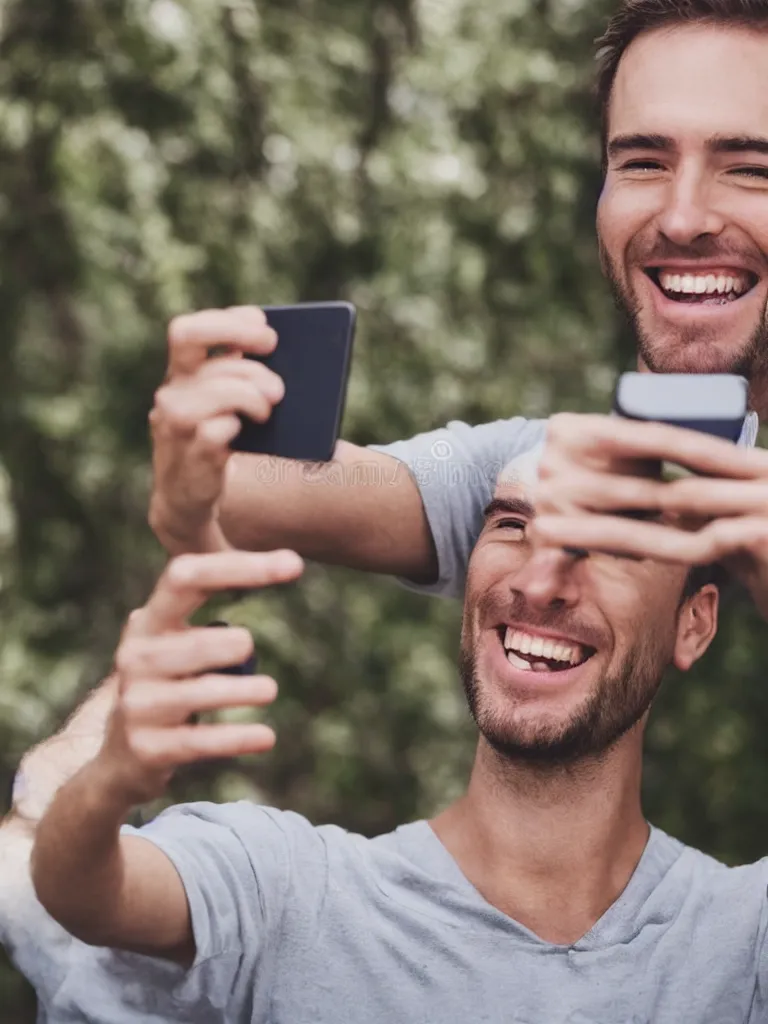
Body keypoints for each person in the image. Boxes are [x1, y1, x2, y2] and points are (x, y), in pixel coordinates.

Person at [21, 450, 768, 1024]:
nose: (541, 582)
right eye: (513, 526)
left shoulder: (744, 940)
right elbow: (82, 890)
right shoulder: (289, 889)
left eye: (609, 544)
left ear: (693, 623)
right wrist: (106, 782)